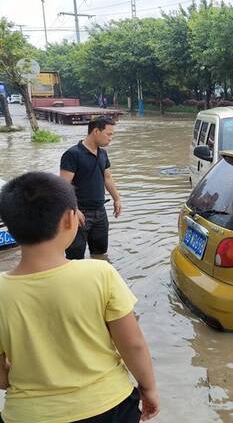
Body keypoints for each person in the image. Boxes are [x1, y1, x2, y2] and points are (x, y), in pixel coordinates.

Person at [0, 172, 159, 423]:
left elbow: (1, 377)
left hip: (28, 415)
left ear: (10, 226)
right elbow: (133, 344)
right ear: (69, 219)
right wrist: (148, 388)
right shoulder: (99, 273)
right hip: (108, 407)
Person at [60, 116, 121, 259]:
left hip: (100, 212)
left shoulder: (102, 154)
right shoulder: (73, 154)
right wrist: (73, 209)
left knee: (100, 254)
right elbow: (63, 186)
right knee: (75, 258)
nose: (110, 138)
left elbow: (107, 177)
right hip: (78, 214)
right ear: (96, 131)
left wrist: (117, 199)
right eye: (109, 134)